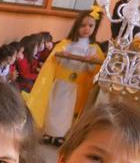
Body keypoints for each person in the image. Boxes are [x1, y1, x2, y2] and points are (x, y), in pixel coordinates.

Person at [27, 9, 106, 144]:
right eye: (83, 25)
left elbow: (94, 70)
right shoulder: (66, 44)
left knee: (68, 111)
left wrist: (91, 61)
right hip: (61, 82)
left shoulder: (93, 48)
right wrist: (65, 57)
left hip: (76, 85)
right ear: (77, 26)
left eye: (90, 26)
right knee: (54, 107)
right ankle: (48, 132)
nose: (87, 29)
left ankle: (62, 135)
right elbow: (55, 59)